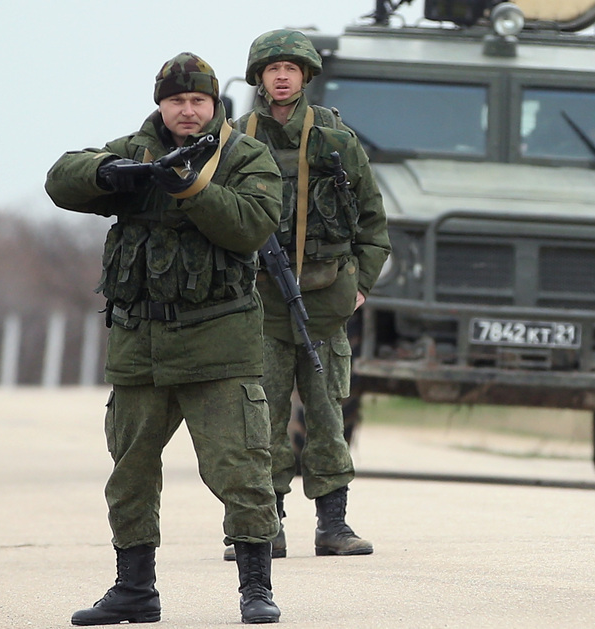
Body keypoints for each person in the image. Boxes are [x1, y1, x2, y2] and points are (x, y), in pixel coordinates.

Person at [45, 52, 285, 624]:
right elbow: (62, 178)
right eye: (176, 101)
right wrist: (111, 174)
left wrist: (189, 187)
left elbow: (253, 223)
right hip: (139, 343)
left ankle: (256, 588)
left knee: (241, 470)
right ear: (160, 105)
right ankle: (135, 589)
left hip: (219, 345)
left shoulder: (244, 155)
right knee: (129, 471)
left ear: (213, 104)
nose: (187, 110)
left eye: (197, 101)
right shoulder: (134, 150)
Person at [222, 29, 391, 561]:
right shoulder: (234, 139)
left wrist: (360, 285)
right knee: (261, 418)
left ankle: (333, 525)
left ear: (305, 76)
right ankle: (263, 526)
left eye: (291, 68)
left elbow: (373, 222)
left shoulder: (336, 140)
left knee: (325, 413)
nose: (281, 76)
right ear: (259, 77)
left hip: (323, 300)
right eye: (272, 68)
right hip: (258, 302)